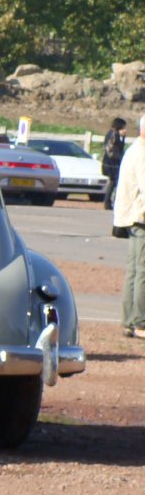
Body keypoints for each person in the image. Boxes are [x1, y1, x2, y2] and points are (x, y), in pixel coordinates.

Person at [111, 113, 145, 339]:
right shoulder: (142, 153)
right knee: (142, 271)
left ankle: (129, 321)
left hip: (131, 217)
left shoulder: (133, 150)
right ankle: (140, 322)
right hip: (140, 217)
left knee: (134, 270)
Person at [103, 117, 127, 210]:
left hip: (108, 160)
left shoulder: (110, 133)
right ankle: (110, 202)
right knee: (115, 182)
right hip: (113, 161)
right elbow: (119, 147)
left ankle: (108, 202)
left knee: (112, 182)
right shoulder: (114, 134)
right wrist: (123, 137)